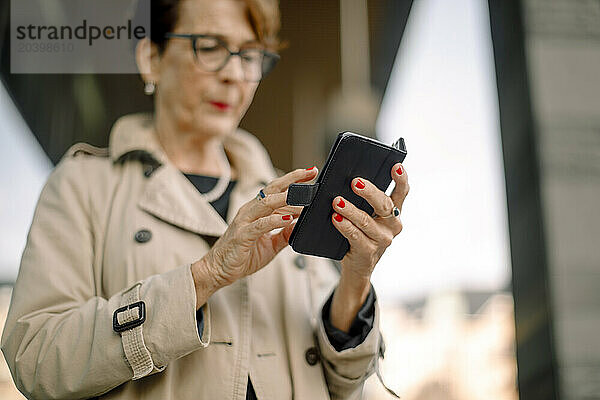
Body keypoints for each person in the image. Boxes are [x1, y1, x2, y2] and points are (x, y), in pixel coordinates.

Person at [1, 0, 409, 398]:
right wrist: (206, 276)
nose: (235, 73)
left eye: (250, 55)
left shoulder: (286, 193)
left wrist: (356, 278)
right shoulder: (83, 186)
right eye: (210, 46)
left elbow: (345, 383)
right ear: (151, 58)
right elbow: (35, 359)